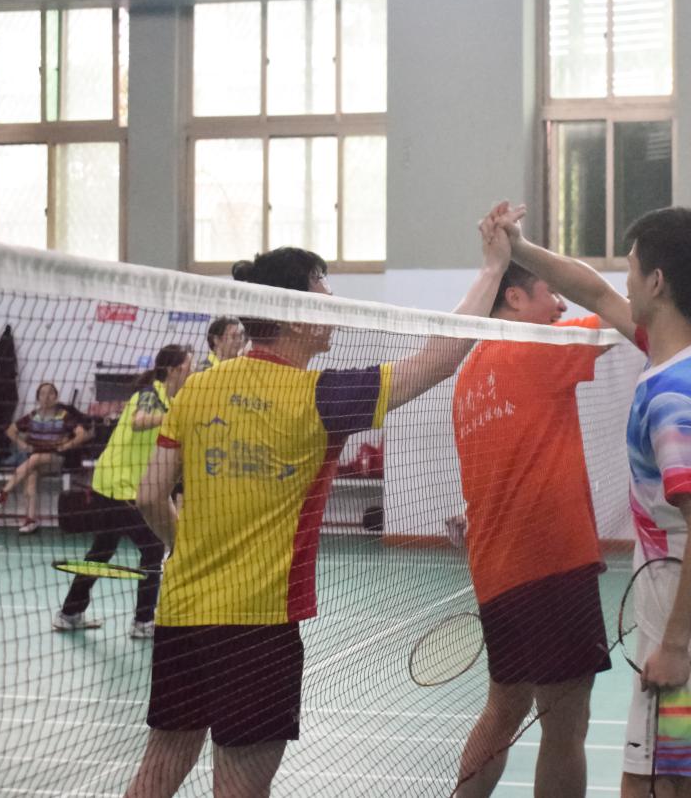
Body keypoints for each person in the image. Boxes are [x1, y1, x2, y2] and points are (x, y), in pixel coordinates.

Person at [122, 218, 512, 798]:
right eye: (324, 295)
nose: (334, 306)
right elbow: (438, 359)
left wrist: (184, 548)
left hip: (181, 613)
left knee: (158, 769)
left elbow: (150, 494)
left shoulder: (199, 388)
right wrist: (493, 269)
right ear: (295, 314)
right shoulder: (321, 398)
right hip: (258, 627)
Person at [499, 203, 691, 798]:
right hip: (679, 604)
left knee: (674, 784)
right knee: (646, 781)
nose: (624, 281)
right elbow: (591, 289)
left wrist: (675, 645)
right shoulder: (681, 349)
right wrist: (519, 246)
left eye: (633, 268)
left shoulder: (674, 398)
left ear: (657, 283)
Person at [453, 250, 611, 797]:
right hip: (552, 566)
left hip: (496, 574)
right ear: (516, 297)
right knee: (566, 725)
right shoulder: (538, 346)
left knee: (504, 709)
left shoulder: (469, 373)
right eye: (551, 292)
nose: (561, 304)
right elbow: (632, 311)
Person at [53, 345, 192, 638]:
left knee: (103, 548)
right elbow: (139, 421)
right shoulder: (150, 395)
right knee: (153, 548)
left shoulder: (168, 400)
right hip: (119, 486)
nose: (190, 373)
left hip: (113, 483)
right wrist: (175, 416)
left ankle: (69, 613)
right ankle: (143, 622)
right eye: (186, 368)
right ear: (171, 371)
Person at [0, 382, 89, 534]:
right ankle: (31, 520)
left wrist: (67, 445)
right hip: (36, 462)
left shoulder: (64, 416)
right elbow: (10, 430)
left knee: (34, 459)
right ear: (38, 398)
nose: (46, 397)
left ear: (56, 397)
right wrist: (23, 445)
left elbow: (83, 434)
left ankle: (4, 491)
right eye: (42, 394)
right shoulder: (32, 416)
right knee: (31, 473)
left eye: (50, 393)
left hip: (56, 459)